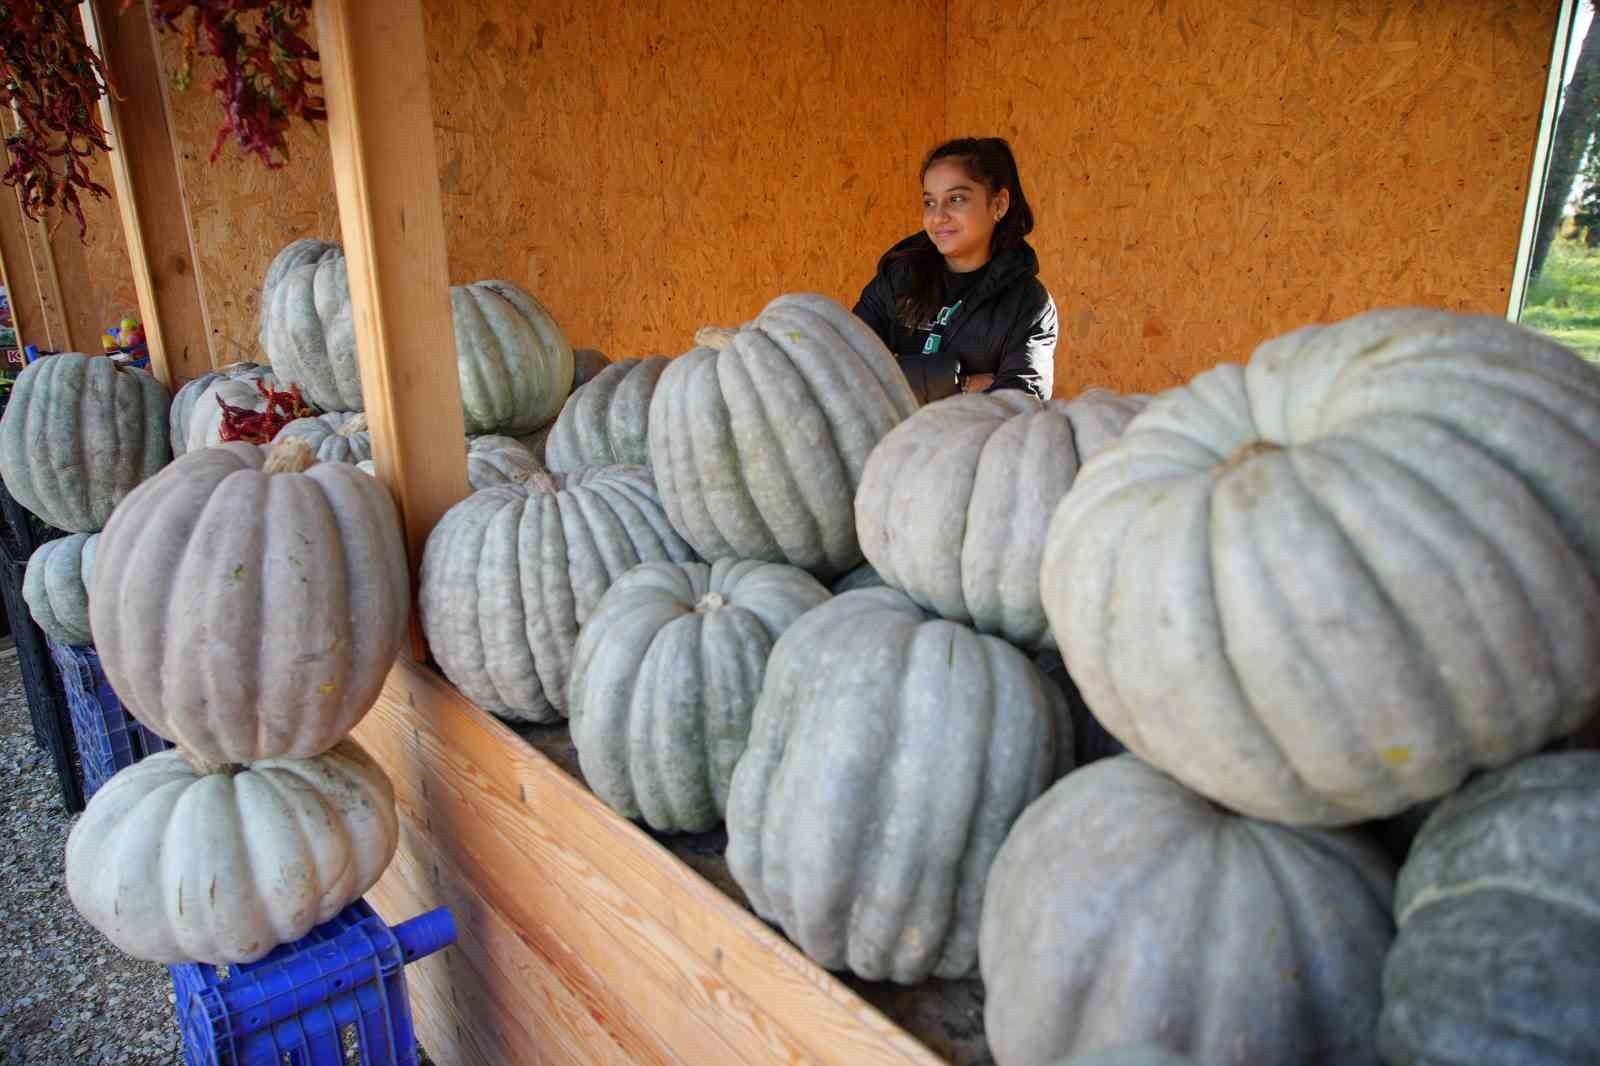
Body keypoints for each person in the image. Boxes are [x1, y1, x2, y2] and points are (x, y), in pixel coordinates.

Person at [854, 137, 1057, 403]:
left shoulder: (1029, 304)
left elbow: (1022, 401)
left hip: (976, 443)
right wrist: (960, 384)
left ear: (999, 205)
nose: (938, 217)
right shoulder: (897, 277)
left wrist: (895, 378)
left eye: (956, 199)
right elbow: (847, 366)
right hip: (895, 441)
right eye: (929, 202)